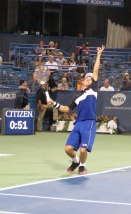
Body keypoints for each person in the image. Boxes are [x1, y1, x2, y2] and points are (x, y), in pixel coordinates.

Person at [48, 45, 105, 175]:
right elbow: (66, 109)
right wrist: (54, 103)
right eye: (87, 78)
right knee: (68, 149)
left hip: (89, 123)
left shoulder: (93, 90)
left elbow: (95, 70)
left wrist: (99, 55)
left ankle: (82, 166)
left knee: (83, 150)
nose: (89, 79)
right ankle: (75, 161)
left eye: (91, 79)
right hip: (78, 124)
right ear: (83, 81)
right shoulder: (77, 97)